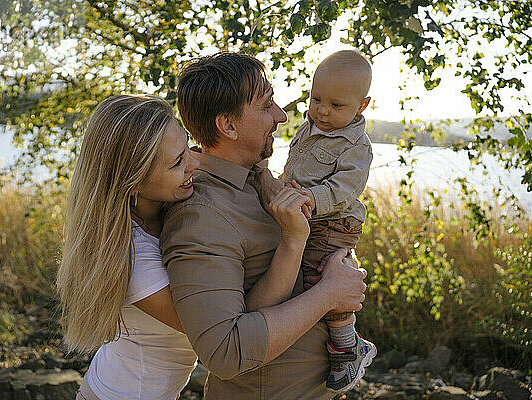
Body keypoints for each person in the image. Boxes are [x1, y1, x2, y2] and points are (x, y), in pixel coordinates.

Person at [57, 94, 321, 400]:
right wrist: (320, 285)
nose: (195, 163)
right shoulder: (135, 260)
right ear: (134, 183)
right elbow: (229, 328)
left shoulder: (163, 205)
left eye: (186, 147)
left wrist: (260, 175)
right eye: (177, 162)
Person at [160, 52, 369, 399]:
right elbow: (225, 353)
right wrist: (329, 294)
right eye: (266, 104)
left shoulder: (257, 181)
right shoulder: (201, 215)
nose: (282, 116)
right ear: (228, 126)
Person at [270, 49, 377, 393]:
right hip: (308, 214)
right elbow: (298, 167)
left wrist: (311, 198)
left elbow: (346, 188)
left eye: (336, 105)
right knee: (293, 272)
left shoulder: (355, 145)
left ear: (362, 106)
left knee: (321, 274)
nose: (322, 110)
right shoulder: (311, 125)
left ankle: (348, 347)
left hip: (334, 220)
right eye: (317, 99)